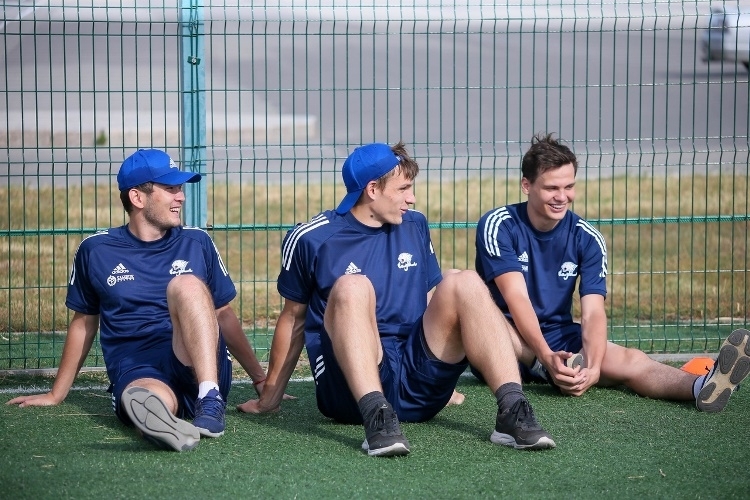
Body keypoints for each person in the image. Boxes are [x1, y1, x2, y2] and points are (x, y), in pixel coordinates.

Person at [236, 141, 556, 456]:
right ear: (372, 189)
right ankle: (377, 416)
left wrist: (443, 377)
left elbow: (432, 301)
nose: (411, 198)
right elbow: (294, 319)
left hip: (416, 381)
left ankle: (513, 409)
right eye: (403, 189)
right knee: (352, 287)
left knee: (465, 281)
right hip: (349, 393)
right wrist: (269, 399)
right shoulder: (311, 238)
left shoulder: (414, 224)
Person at [7, 148, 271, 451]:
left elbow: (223, 314)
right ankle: (161, 423)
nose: (181, 197)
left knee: (186, 284)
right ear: (137, 197)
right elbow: (84, 323)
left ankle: (209, 398)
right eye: (170, 188)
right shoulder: (96, 250)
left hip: (196, 362)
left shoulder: (197, 242)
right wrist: (57, 394)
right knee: (145, 398)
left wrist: (260, 380)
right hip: (137, 365)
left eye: (180, 188)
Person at [474, 132, 750, 412]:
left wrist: (593, 367)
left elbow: (593, 312)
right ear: (526, 185)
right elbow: (517, 298)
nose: (562, 197)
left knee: (631, 359)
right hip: (503, 340)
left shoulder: (587, 238)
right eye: (551, 188)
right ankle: (546, 368)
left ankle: (701, 386)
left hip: (558, 337)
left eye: (569, 186)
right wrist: (545, 356)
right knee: (483, 309)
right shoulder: (499, 225)